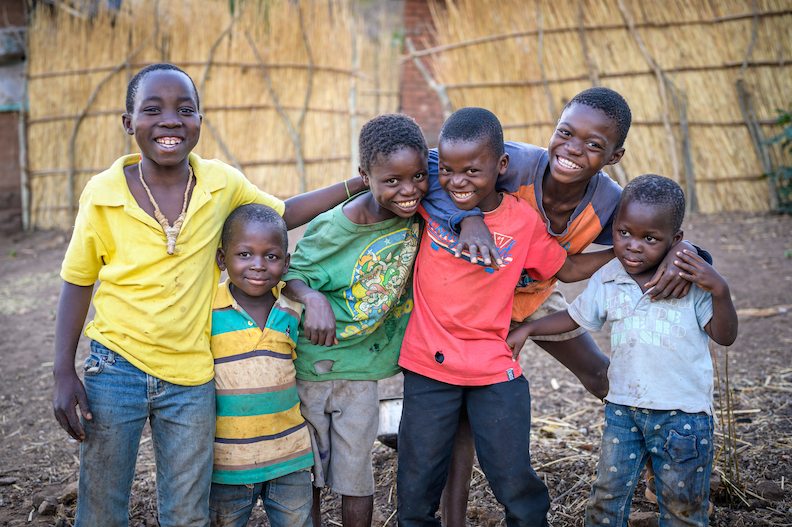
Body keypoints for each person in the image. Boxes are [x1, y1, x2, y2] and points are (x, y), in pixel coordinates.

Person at [52, 63, 364, 527]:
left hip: (193, 377)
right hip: (115, 367)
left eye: (185, 109)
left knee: (187, 509)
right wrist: (63, 370)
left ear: (200, 119)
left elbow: (281, 213)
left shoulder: (220, 183)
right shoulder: (102, 194)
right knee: (101, 505)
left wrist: (358, 184)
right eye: (152, 110)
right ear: (128, 123)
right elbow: (78, 280)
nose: (171, 120)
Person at [420, 88, 711, 525]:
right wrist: (471, 217)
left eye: (594, 145)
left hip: (535, 294)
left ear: (615, 155)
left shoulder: (609, 202)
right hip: (473, 294)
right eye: (566, 133)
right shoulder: (513, 162)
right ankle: (453, 517)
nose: (574, 149)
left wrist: (682, 256)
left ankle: (656, 457)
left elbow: (655, 235)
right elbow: (427, 166)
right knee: (464, 397)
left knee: (598, 371)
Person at [396, 107, 611, 527]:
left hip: (494, 367)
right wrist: (468, 216)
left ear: (502, 166)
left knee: (515, 480)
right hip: (428, 366)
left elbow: (565, 268)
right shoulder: (429, 203)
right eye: (451, 171)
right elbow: (409, 175)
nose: (458, 182)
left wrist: (622, 254)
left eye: (473, 171)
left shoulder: (523, 221)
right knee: (416, 484)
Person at [507, 174, 738, 527]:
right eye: (624, 233)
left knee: (682, 509)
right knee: (606, 500)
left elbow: (724, 336)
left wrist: (720, 290)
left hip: (684, 418)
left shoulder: (690, 280)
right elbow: (574, 315)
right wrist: (529, 327)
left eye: (649, 238)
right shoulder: (609, 276)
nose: (632, 246)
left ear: (675, 240)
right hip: (623, 411)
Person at [282, 113, 430, 527]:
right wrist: (312, 298)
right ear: (365, 176)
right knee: (306, 470)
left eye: (418, 176)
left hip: (363, 371)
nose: (408, 190)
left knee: (356, 473)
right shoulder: (334, 228)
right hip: (313, 364)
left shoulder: (423, 211)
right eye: (393, 181)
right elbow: (291, 275)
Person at [208, 204, 312, 527]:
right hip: (227, 464)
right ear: (222, 259)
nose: (258, 266)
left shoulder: (293, 309)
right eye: (244, 255)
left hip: (290, 458)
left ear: (286, 262)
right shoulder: (208, 309)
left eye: (271, 256)